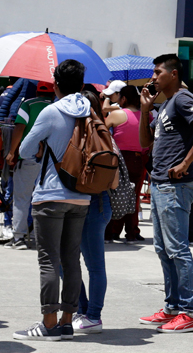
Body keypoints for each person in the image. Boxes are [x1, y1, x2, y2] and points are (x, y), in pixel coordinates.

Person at [11, 61, 91, 342]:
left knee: (48, 260)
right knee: (71, 259)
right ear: (81, 85)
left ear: (55, 84)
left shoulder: (50, 111)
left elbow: (25, 149)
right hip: (82, 195)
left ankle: (48, 324)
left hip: (50, 195)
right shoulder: (91, 111)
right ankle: (67, 323)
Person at [137, 54, 193, 334]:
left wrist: (185, 163)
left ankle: (190, 312)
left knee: (177, 249)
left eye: (158, 72)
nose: (154, 77)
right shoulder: (164, 106)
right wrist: (146, 110)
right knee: (163, 249)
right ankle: (172, 307)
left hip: (174, 187)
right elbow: (144, 142)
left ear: (173, 75)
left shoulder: (182, 99)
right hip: (159, 184)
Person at [72, 90, 113, 334]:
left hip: (93, 204)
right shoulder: (103, 132)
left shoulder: (96, 135)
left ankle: (92, 315)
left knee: (91, 265)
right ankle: (84, 310)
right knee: (70, 264)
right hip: (95, 204)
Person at [3, 80, 55, 250]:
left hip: (29, 157)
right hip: (52, 161)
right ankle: (39, 236)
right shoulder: (57, 106)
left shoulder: (28, 104)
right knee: (45, 200)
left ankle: (18, 238)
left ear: (37, 90)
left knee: (21, 198)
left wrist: (12, 151)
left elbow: (20, 127)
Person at [104, 85, 147, 243]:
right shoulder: (145, 115)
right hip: (138, 159)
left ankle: (109, 233)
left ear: (123, 99)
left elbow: (101, 131)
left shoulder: (117, 114)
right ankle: (131, 233)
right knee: (133, 198)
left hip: (119, 160)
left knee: (112, 196)